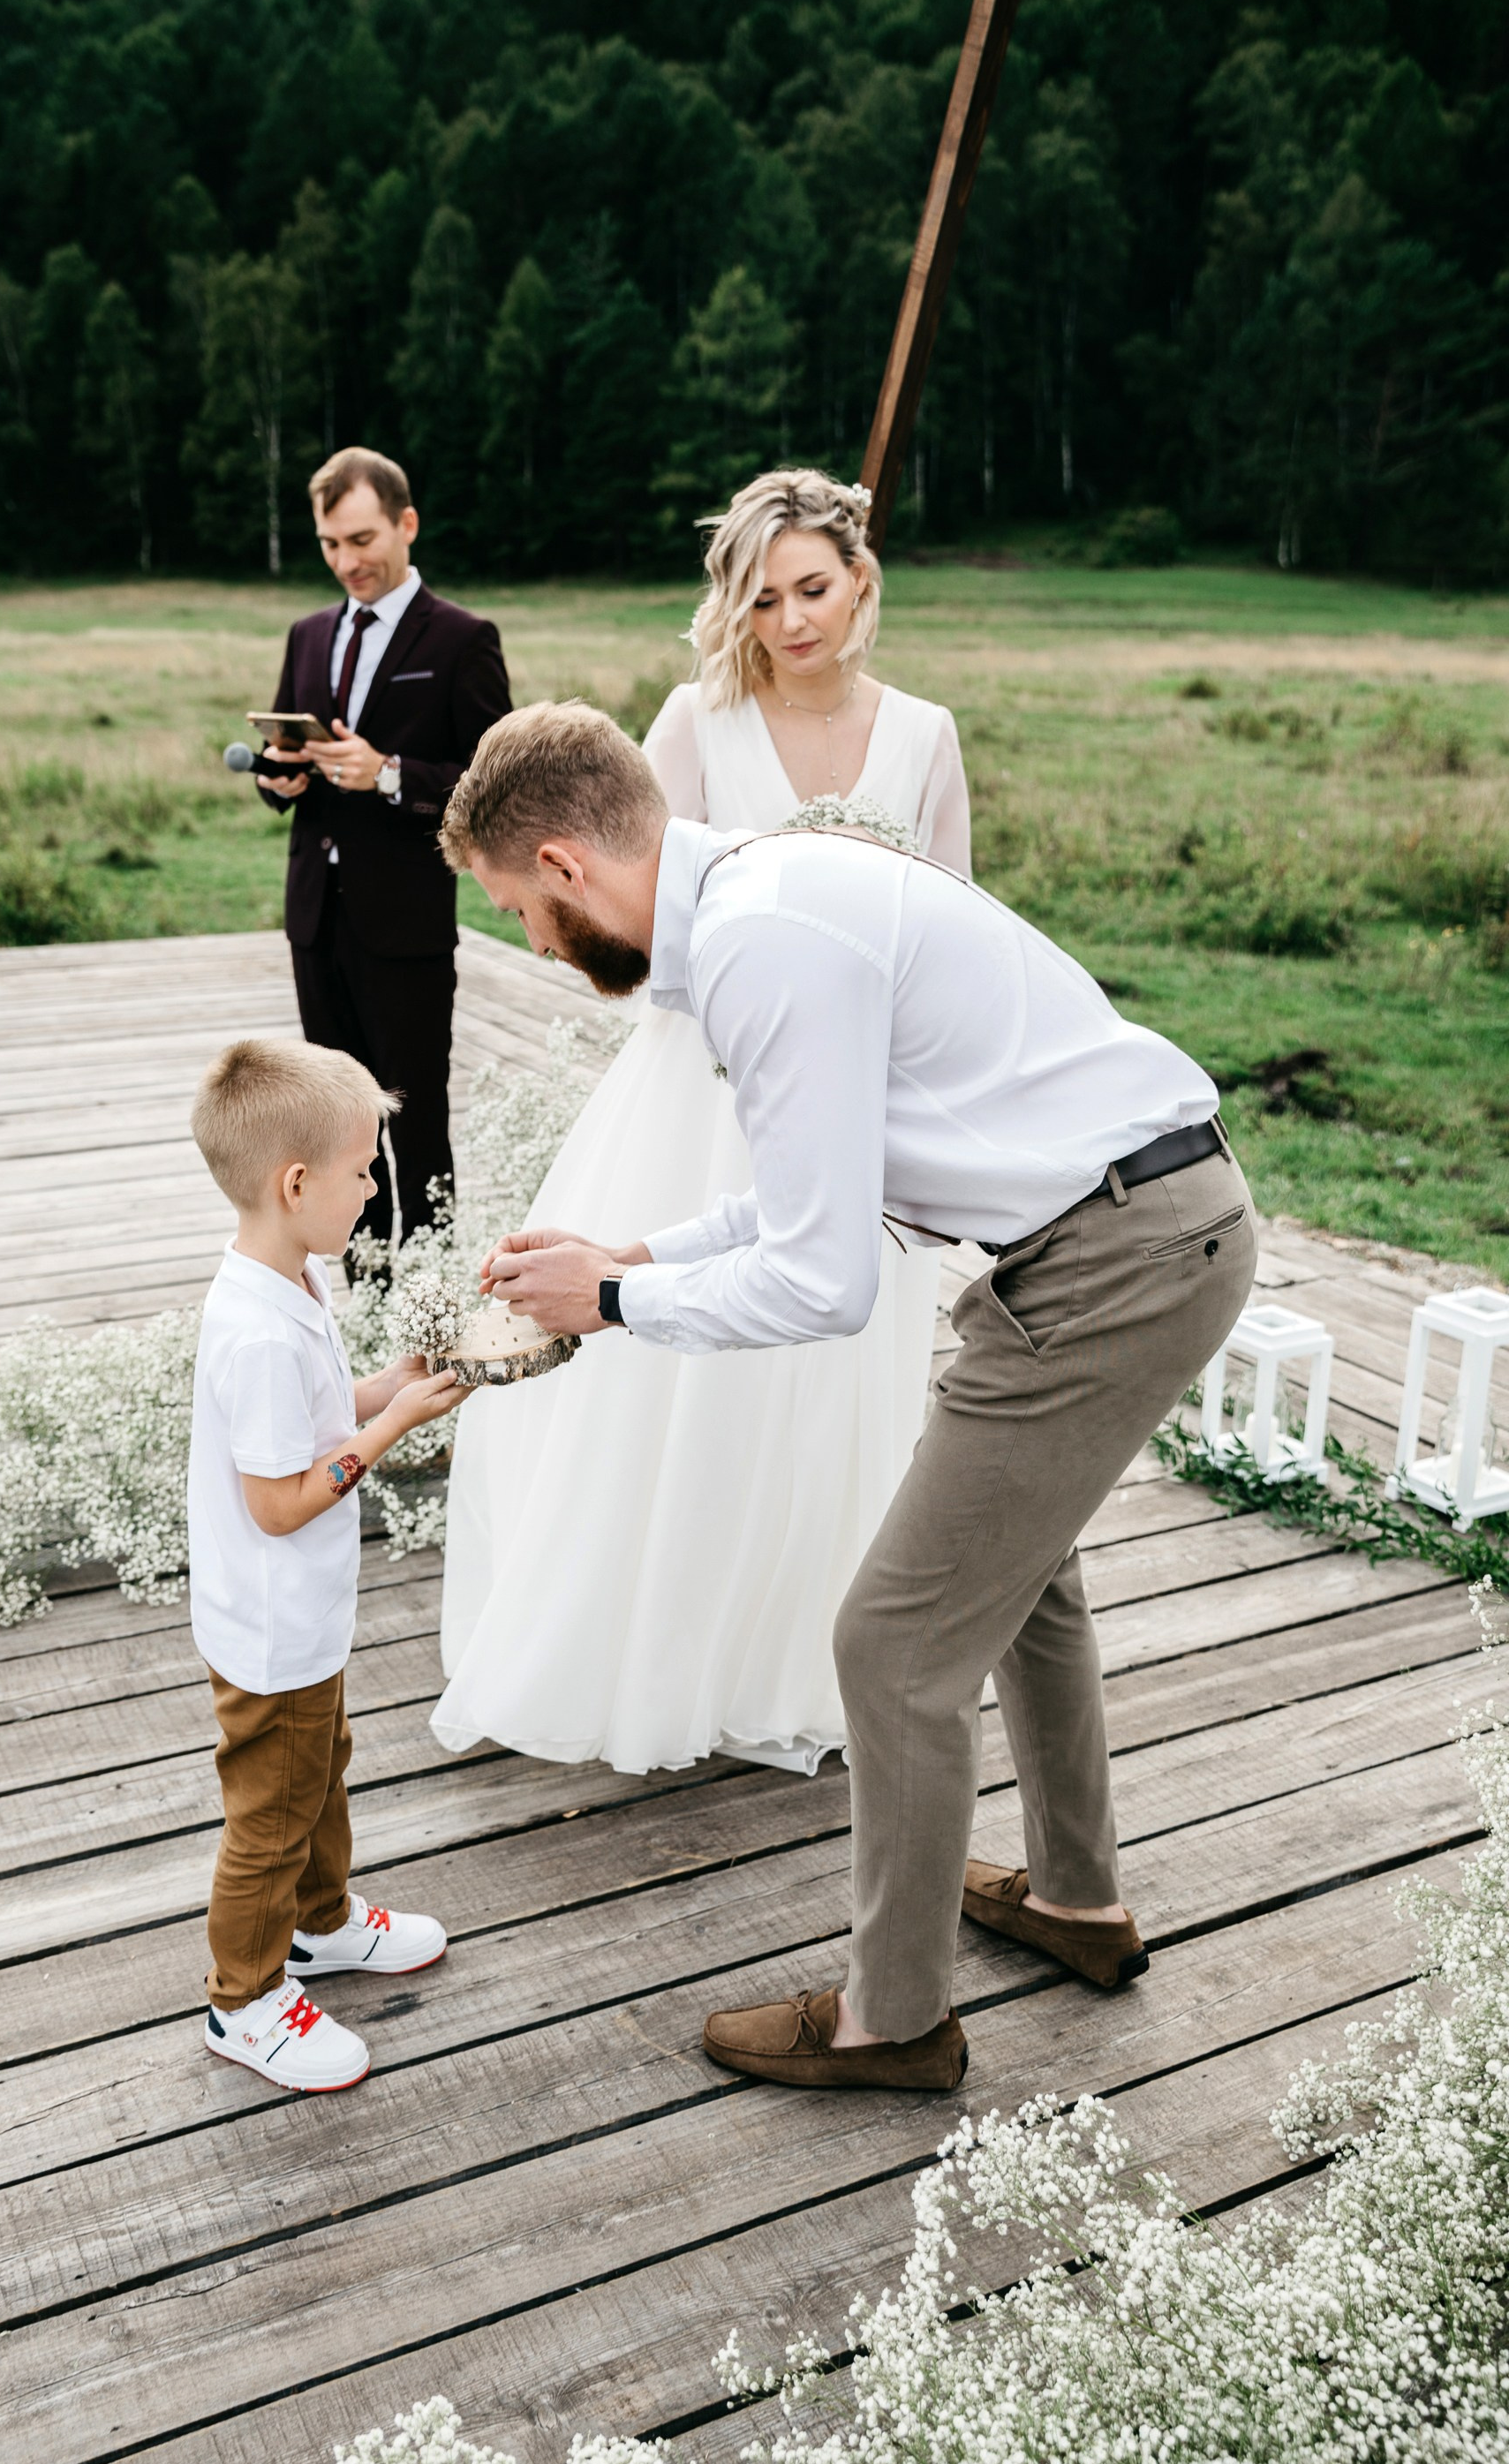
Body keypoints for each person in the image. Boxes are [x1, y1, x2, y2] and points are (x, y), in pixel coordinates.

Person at [440, 704, 1257, 2094]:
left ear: (569, 864)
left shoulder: (765, 944)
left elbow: (827, 1283)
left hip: (1112, 1261)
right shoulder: (767, 898)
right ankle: (1075, 1900)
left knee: (889, 1647)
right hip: (1138, 1231)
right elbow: (824, 1184)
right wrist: (640, 1250)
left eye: (519, 908)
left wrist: (619, 1306)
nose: (531, 939)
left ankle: (896, 2021)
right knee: (1025, 1574)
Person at [435, 471, 970, 1775]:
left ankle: (802, 1656)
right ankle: (659, 1649)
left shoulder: (926, 736)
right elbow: (630, 908)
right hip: (702, 1085)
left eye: (816, 589)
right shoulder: (696, 720)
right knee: (689, 1396)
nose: (793, 621)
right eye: (764, 596)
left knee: (840, 1380)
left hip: (860, 1087)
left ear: (862, 582)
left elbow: (954, 915)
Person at [187, 1036, 472, 2091]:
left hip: (300, 1617)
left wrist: (382, 1384)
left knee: (320, 1771)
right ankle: (245, 2000)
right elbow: (277, 1502)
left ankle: (320, 1922)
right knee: (269, 1817)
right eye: (361, 1171)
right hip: (271, 1621)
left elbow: (311, 1419)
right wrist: (389, 1427)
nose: (370, 1187)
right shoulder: (258, 1331)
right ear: (295, 1182)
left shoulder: (288, 1278)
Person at [260, 447, 512, 1248]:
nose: (347, 562)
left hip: (405, 923)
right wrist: (280, 780)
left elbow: (491, 780)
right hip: (315, 918)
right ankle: (363, 1297)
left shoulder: (463, 638)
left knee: (416, 1119)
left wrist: (392, 775)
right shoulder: (307, 635)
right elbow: (276, 760)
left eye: (362, 540)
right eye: (331, 545)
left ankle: (433, 1295)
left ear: (407, 524)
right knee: (337, 1127)